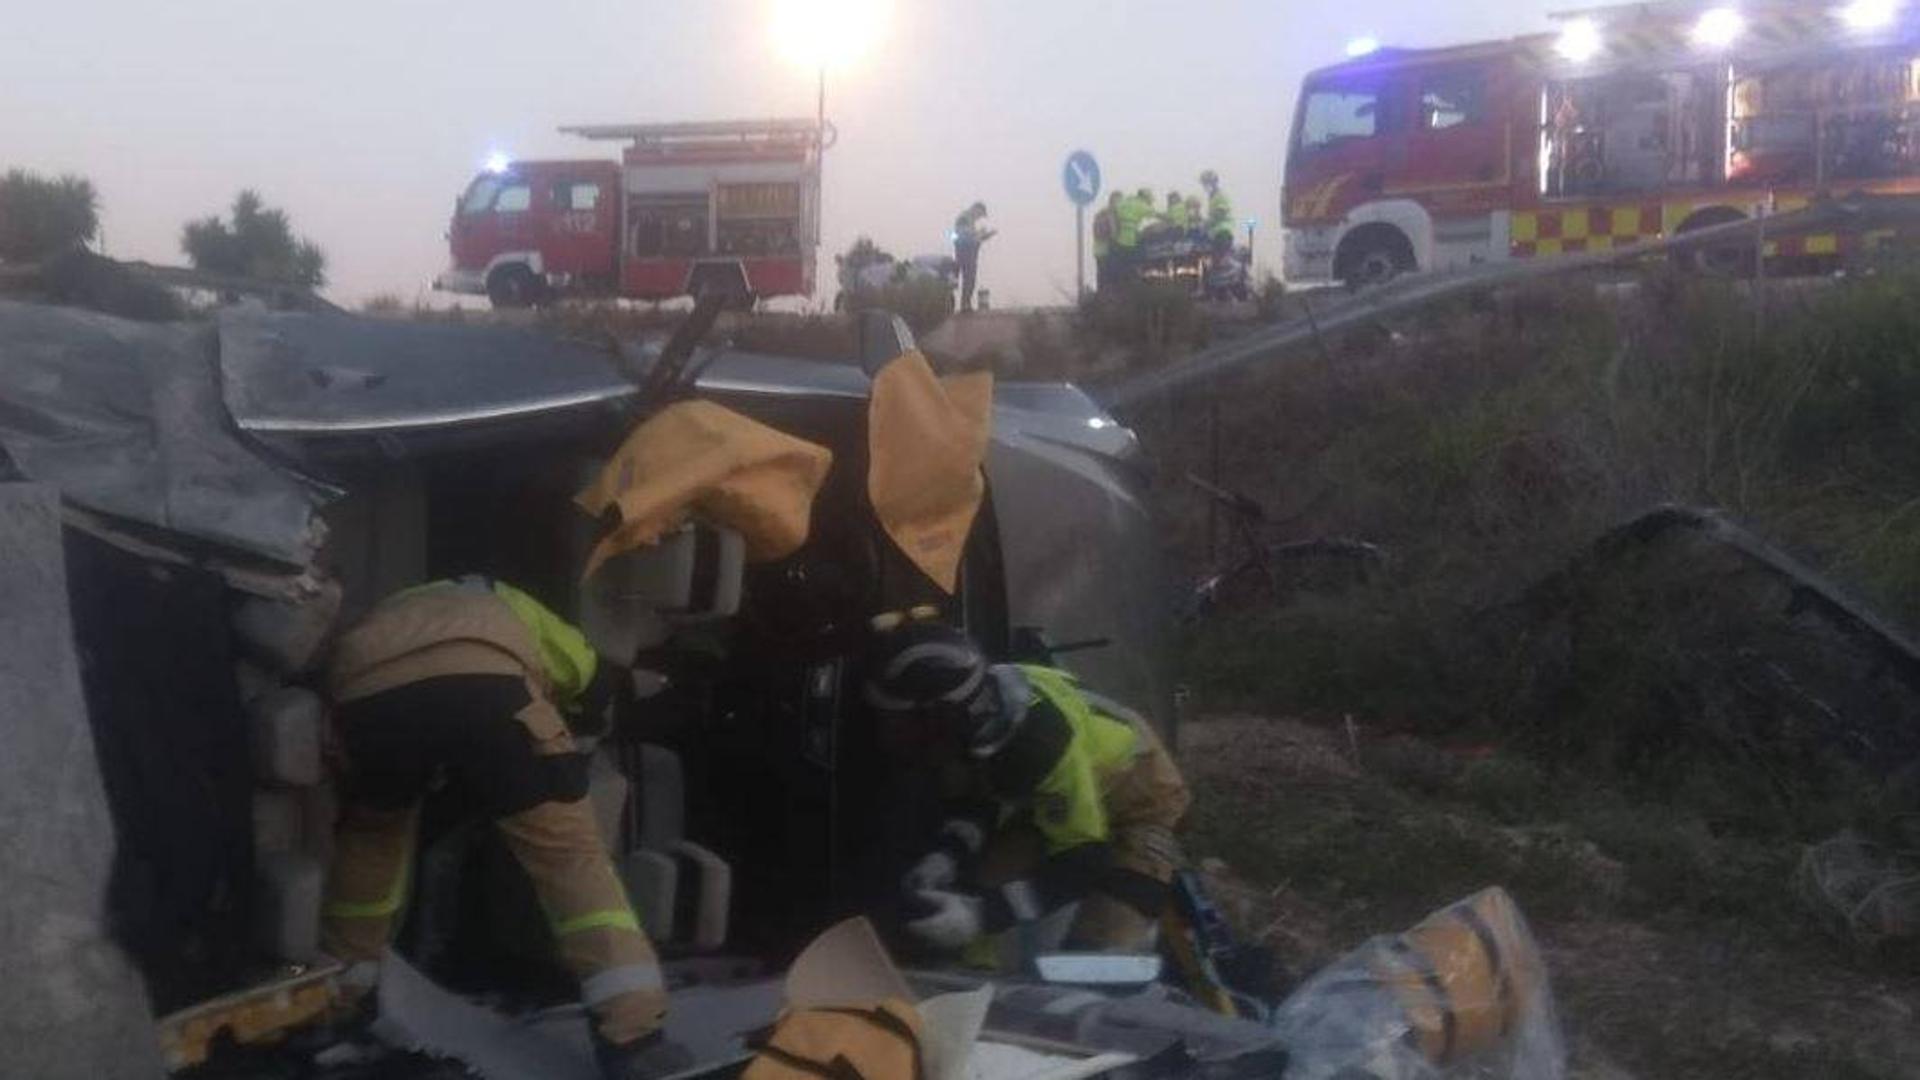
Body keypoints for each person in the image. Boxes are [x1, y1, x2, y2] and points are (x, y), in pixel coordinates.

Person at [321, 576, 684, 1080]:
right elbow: (585, 672)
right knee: (569, 857)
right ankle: (633, 1035)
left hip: (371, 700)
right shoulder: (499, 597)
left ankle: (340, 998)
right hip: (487, 690)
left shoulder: (380, 613)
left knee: (372, 841)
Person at [864, 622, 1191, 956]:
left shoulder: (1037, 745)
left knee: (1103, 944)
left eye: (899, 724)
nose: (889, 736)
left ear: (940, 716)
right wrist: (947, 856)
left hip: (1138, 796)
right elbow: (977, 800)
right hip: (1057, 796)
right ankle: (973, 987)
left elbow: (1083, 862)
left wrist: (983, 916)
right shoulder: (976, 720)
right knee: (976, 884)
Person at [951, 202, 997, 313]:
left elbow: (974, 238)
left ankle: (966, 304)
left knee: (970, 280)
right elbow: (961, 234)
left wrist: (986, 235)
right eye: (980, 214)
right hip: (965, 253)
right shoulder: (964, 217)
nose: (979, 218)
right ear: (977, 209)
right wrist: (978, 233)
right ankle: (964, 305)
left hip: (970, 253)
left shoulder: (970, 220)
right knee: (967, 279)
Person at [1200, 170, 1235, 251]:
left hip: (1223, 233)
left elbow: (1219, 213)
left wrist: (1206, 224)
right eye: (1204, 184)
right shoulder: (1213, 197)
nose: (1205, 186)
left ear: (1214, 183)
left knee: (1220, 259)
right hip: (1215, 234)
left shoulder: (1220, 196)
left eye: (1207, 183)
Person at [1091, 199, 1115, 293]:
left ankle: (1101, 293)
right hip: (1106, 250)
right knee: (1107, 275)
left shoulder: (1099, 215)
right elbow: (1113, 233)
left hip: (1098, 250)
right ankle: (1105, 294)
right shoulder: (1109, 215)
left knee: (1101, 275)